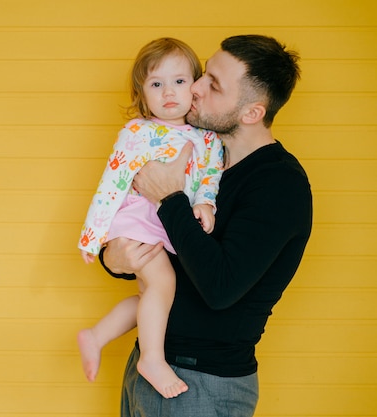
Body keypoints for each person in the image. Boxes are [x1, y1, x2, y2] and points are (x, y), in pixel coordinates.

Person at [99, 34, 313, 417]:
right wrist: (112, 257)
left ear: (252, 113)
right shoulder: (202, 158)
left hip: (199, 384)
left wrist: (171, 199)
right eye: (204, 73)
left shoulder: (280, 185)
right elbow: (153, 237)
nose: (194, 87)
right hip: (149, 368)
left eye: (213, 84)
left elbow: (220, 287)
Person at [76, 38, 224, 399]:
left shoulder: (208, 138)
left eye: (179, 81)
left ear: (197, 86)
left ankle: (97, 335)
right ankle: (152, 360)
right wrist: (93, 234)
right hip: (138, 219)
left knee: (152, 296)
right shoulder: (137, 133)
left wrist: (206, 204)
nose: (169, 92)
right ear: (143, 93)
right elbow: (112, 181)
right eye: (156, 84)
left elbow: (210, 177)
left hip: (168, 223)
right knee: (163, 285)